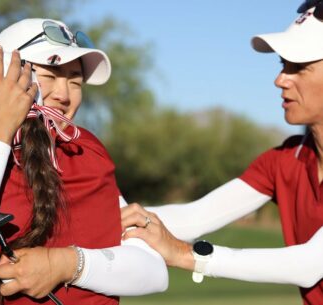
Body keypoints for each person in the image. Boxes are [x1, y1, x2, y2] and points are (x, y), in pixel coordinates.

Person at [0, 18, 168, 305]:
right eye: (50, 76)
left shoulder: (83, 149)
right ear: (2, 74)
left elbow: (153, 272)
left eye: (75, 82)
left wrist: (66, 264)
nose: (64, 95)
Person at [121, 2, 323, 305]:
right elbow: (194, 218)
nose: (280, 79)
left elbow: (309, 264)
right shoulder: (284, 160)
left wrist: (186, 255)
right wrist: (99, 219)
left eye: (299, 67)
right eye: (283, 65)